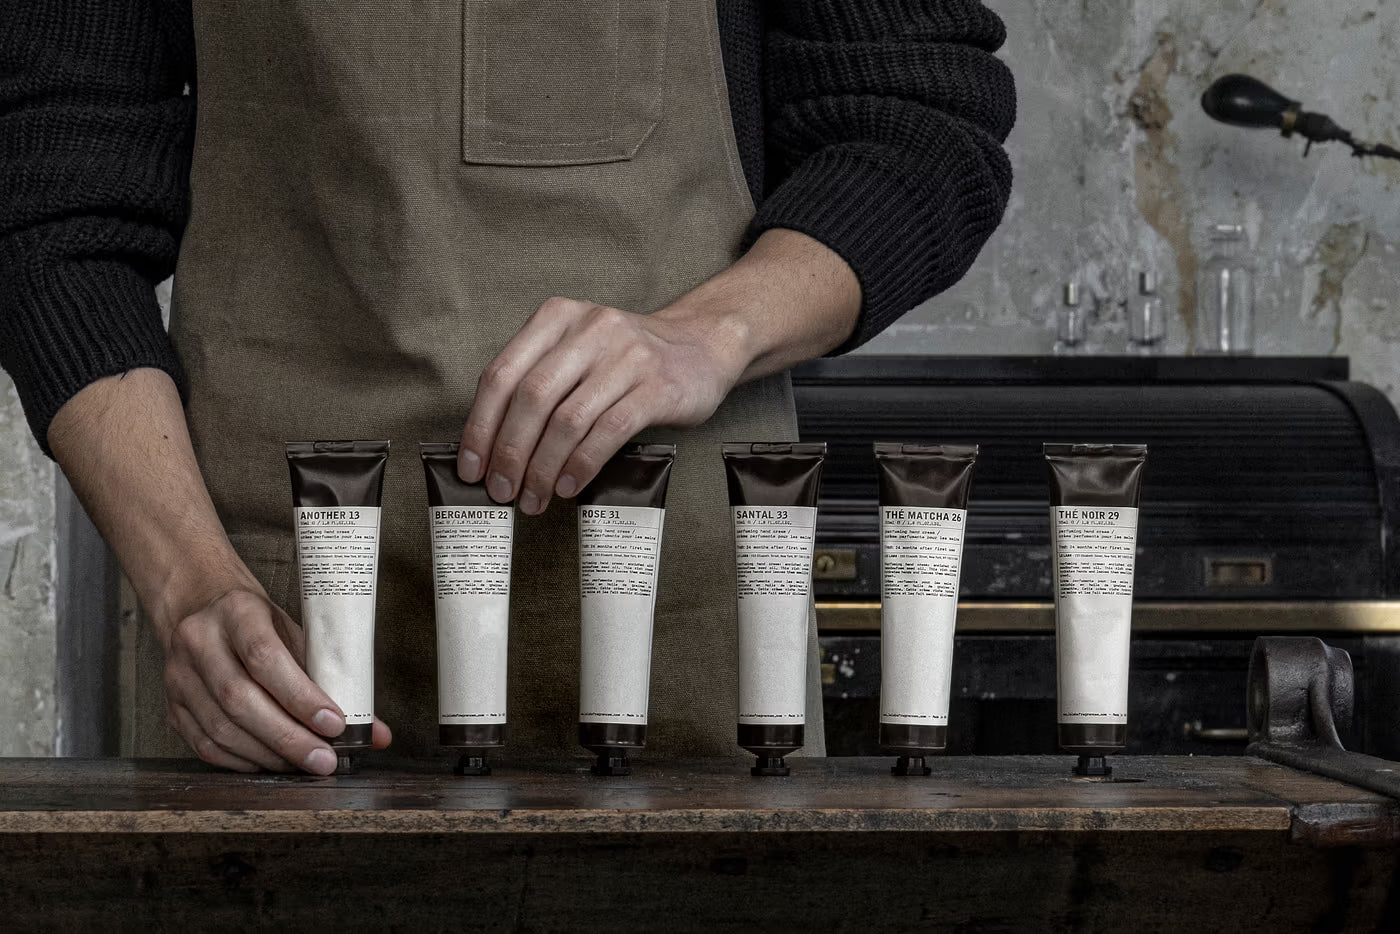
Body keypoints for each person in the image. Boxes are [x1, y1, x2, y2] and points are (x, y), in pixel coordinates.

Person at [0, 0, 1015, 774]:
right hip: (278, 633)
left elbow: (916, 116)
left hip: (677, 624)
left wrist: (711, 332)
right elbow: (48, 209)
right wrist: (188, 582)